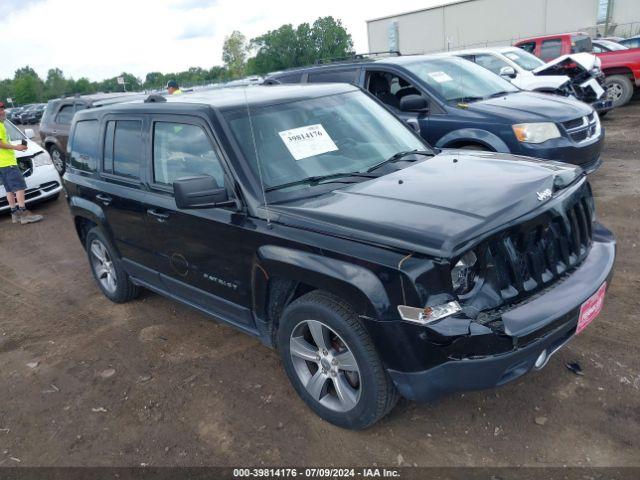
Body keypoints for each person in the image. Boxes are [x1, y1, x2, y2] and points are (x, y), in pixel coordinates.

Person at [0, 102, 43, 224]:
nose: (2, 112)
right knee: (19, 187)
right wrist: (16, 148)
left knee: (9, 190)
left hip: (2, 164)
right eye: (0, 110)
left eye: (3, 109)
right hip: (8, 163)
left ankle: (15, 214)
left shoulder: (2, 125)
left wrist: (16, 146)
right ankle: (23, 214)